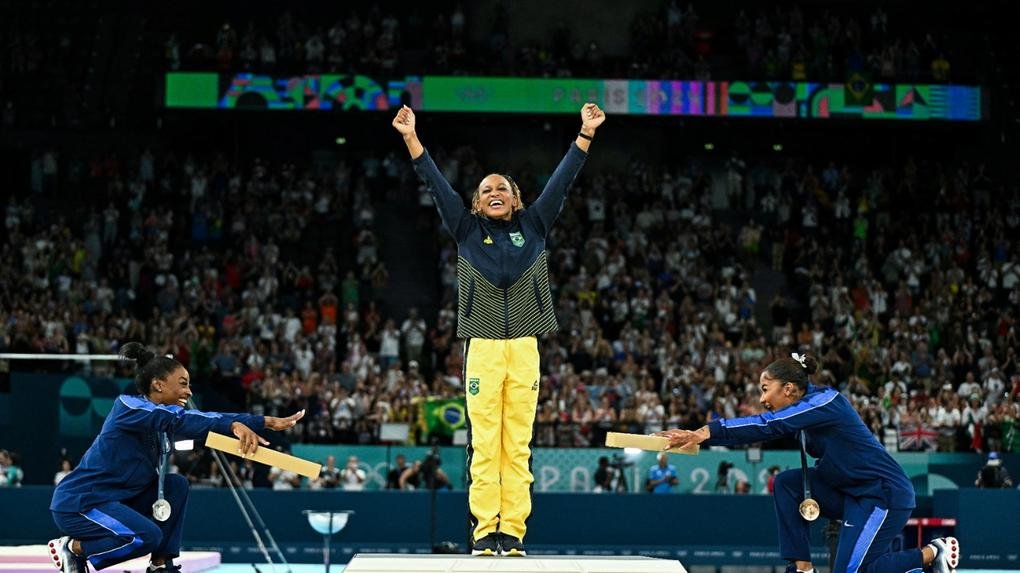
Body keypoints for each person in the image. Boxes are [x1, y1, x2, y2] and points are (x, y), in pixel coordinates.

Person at [393, 102, 605, 556]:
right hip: (483, 347)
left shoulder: (535, 225)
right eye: (486, 188)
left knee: (518, 444)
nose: (494, 192)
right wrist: (412, 138)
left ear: (515, 199)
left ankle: (513, 532)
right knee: (486, 443)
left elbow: (562, 181)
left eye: (502, 188)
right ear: (476, 202)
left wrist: (585, 133)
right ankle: (484, 531)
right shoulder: (466, 229)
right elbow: (435, 184)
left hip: (525, 346)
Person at [657, 353, 960, 573]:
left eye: (765, 388)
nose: (762, 399)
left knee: (853, 572)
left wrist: (704, 433)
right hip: (849, 493)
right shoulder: (802, 409)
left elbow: (767, 425)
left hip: (882, 494)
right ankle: (803, 569)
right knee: (786, 484)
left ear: (788, 388)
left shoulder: (825, 402)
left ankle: (934, 552)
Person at [48, 342, 304, 573]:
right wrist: (239, 423)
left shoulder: (163, 425)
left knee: (176, 485)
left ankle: (160, 565)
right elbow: (182, 420)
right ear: (158, 384)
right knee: (147, 536)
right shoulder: (127, 406)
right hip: (81, 503)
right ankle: (73, 548)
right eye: (183, 383)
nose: (189, 392)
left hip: (119, 500)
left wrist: (258, 423)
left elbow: (195, 424)